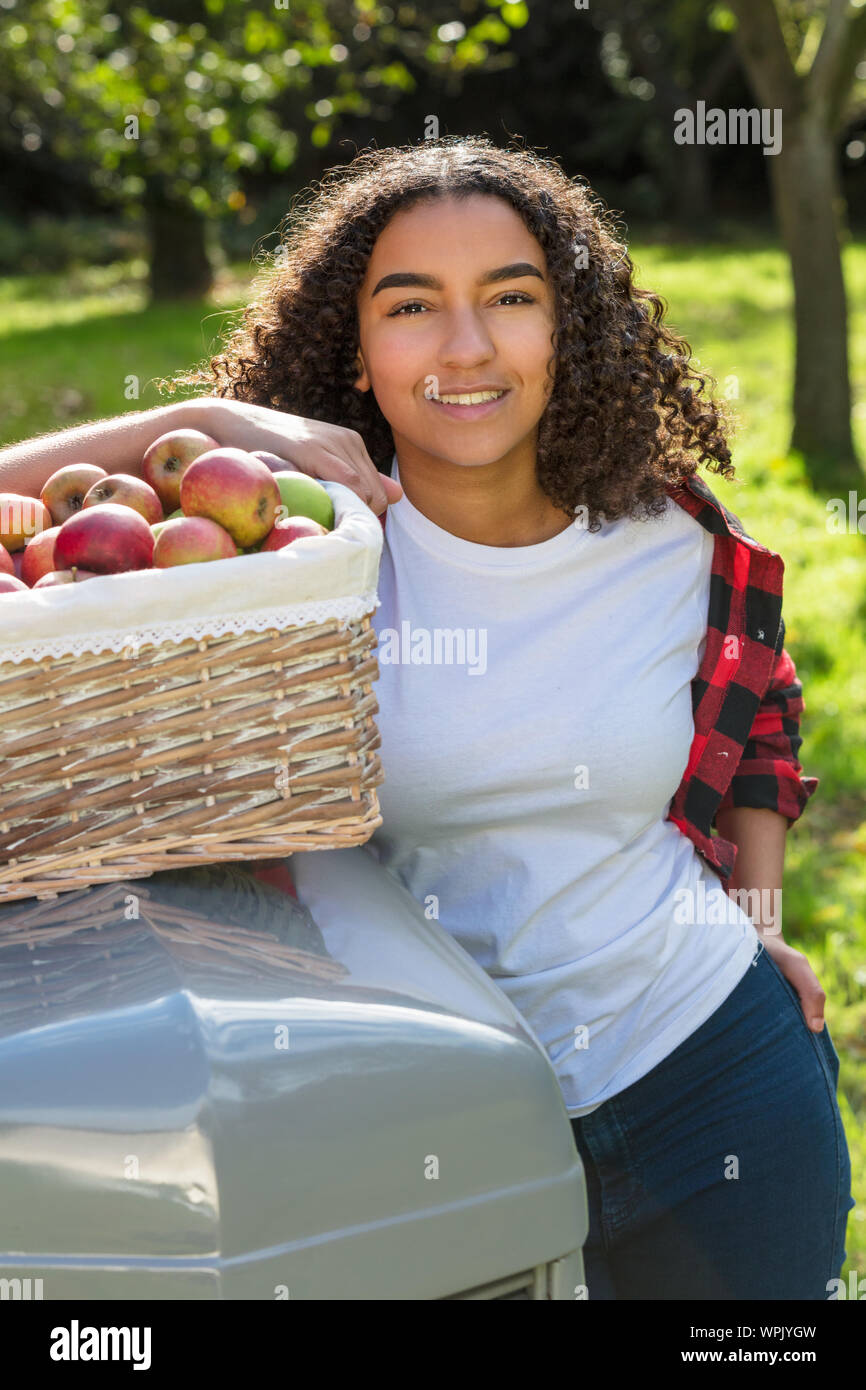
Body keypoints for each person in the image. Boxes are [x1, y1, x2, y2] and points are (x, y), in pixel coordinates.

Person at [0, 136, 853, 1299]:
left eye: (510, 297)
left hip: (707, 1072)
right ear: (354, 347)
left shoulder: (672, 540)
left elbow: (761, 720)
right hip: (419, 1118)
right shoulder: (284, 572)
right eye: (411, 306)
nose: (466, 345)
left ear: (568, 328)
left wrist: (755, 915)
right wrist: (213, 414)